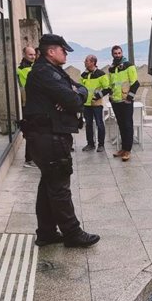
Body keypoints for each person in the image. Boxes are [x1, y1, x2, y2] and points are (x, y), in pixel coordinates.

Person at [23, 34, 100, 249]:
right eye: (63, 50)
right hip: (49, 136)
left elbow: (81, 88)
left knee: (48, 184)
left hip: (48, 135)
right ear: (51, 51)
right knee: (59, 186)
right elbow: (75, 101)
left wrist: (76, 93)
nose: (66, 53)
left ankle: (46, 232)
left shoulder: (53, 72)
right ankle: (72, 233)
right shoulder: (44, 73)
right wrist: (72, 96)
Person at [108, 45, 140, 161]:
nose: (117, 55)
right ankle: (123, 148)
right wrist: (111, 96)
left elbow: (135, 83)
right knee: (121, 125)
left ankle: (128, 150)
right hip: (116, 101)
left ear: (122, 53)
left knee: (127, 125)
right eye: (115, 53)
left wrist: (129, 98)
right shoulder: (111, 68)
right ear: (112, 54)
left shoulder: (129, 66)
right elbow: (111, 84)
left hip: (126, 101)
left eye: (119, 53)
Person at [80, 54, 111, 153]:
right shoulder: (83, 75)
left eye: (86, 61)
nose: (84, 62)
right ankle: (90, 144)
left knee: (99, 124)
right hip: (86, 104)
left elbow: (107, 88)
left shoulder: (101, 74)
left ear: (93, 62)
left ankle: (101, 145)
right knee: (88, 124)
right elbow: (81, 88)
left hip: (97, 104)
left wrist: (97, 96)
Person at [17, 46, 36, 167]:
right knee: (31, 132)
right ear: (24, 55)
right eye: (30, 55)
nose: (33, 57)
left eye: (34, 54)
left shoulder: (31, 67)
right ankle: (29, 159)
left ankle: (32, 158)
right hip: (28, 104)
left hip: (32, 103)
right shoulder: (24, 69)